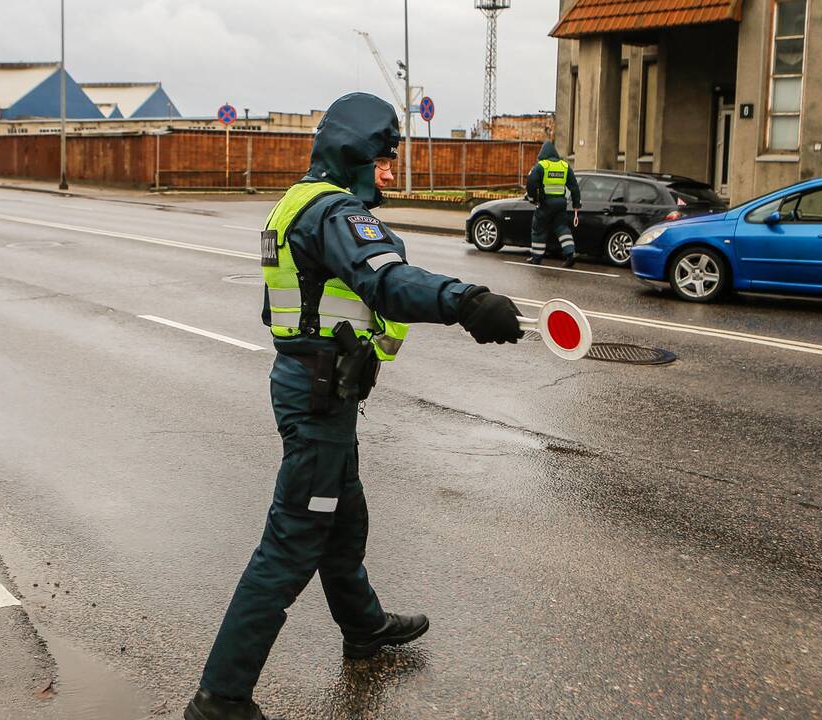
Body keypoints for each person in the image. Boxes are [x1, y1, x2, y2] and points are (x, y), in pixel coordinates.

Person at [184, 92, 524, 720]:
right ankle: (221, 698)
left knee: (343, 518)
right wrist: (467, 301)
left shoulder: (297, 202)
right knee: (291, 542)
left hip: (318, 387)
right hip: (318, 394)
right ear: (352, 154)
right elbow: (386, 282)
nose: (390, 170)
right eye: (382, 157)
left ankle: (364, 626)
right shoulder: (336, 215)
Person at [525, 141, 581, 268]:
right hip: (561, 204)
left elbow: (531, 182)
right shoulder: (564, 166)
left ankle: (536, 257)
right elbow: (574, 187)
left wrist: (534, 198)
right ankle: (570, 253)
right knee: (562, 228)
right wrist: (576, 204)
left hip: (545, 204)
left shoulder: (541, 166)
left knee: (538, 228)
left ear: (542, 154)